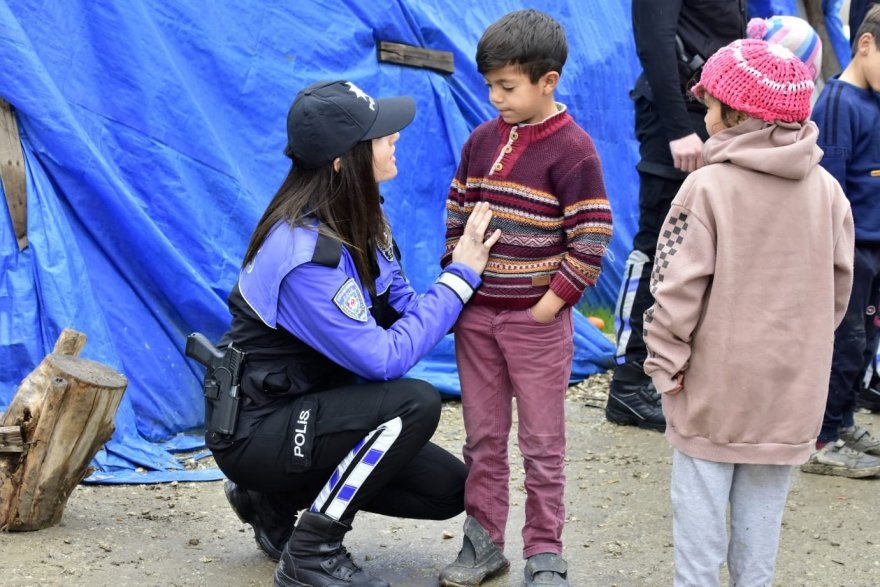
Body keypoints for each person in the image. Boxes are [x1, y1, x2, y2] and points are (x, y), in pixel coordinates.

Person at [201, 79, 501, 587]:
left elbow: (404, 305)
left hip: (310, 413)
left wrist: (476, 301)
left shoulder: (361, 219)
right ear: (345, 160)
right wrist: (461, 277)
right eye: (381, 134)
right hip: (257, 430)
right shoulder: (303, 254)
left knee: (449, 491)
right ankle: (312, 551)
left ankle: (271, 499)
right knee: (415, 404)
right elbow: (383, 359)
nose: (395, 137)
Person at [643, 39, 855, 586]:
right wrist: (803, 353)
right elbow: (837, 292)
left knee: (698, 545)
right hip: (790, 397)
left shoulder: (705, 188)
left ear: (741, 115)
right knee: (759, 548)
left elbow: (671, 288)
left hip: (710, 394)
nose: (706, 115)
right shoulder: (830, 193)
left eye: (711, 106)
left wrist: (664, 365)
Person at [438, 10, 612, 587]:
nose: (494, 98)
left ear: (548, 81)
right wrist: (457, 277)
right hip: (477, 320)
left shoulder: (574, 150)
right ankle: (483, 541)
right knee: (483, 438)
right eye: (489, 84)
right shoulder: (480, 141)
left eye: (506, 87)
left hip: (537, 323)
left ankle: (544, 550)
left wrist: (549, 305)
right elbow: (457, 211)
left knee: (542, 442)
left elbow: (591, 235)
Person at [607, 0, 746, 432]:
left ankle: (678, 372)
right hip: (678, 125)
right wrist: (678, 129)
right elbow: (654, 41)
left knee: (705, 251)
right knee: (657, 248)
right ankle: (629, 383)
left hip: (715, 119)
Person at [801, 5, 880, 478]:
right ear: (866, 45)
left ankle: (844, 421)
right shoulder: (838, 103)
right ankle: (823, 438)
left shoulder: (874, 100)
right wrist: (833, 255)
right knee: (843, 343)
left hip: (875, 248)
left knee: (864, 342)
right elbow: (828, 190)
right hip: (848, 250)